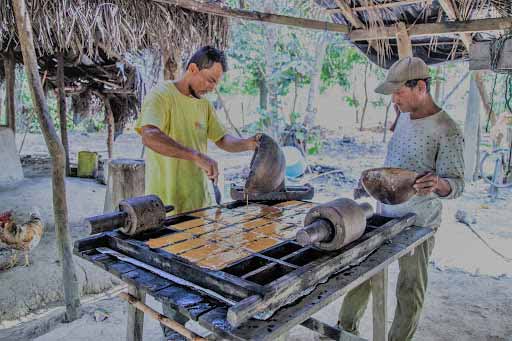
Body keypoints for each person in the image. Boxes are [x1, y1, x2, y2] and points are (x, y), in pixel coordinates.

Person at [135, 45, 259, 340]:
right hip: (166, 206)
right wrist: (194, 155)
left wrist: (250, 143)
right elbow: (150, 135)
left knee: (202, 273)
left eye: (217, 83)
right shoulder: (161, 95)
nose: (212, 87)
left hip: (201, 206)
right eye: (210, 80)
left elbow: (223, 139)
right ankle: (174, 333)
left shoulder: (204, 105)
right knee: (171, 278)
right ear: (192, 69)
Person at [339, 56, 465, 341]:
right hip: (384, 214)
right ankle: (343, 331)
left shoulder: (447, 129)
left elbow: (458, 185)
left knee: (409, 289)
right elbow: (394, 164)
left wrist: (437, 183)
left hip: (419, 224)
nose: (394, 99)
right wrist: (369, 184)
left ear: (420, 87)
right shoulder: (403, 116)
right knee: (361, 274)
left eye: (399, 92)